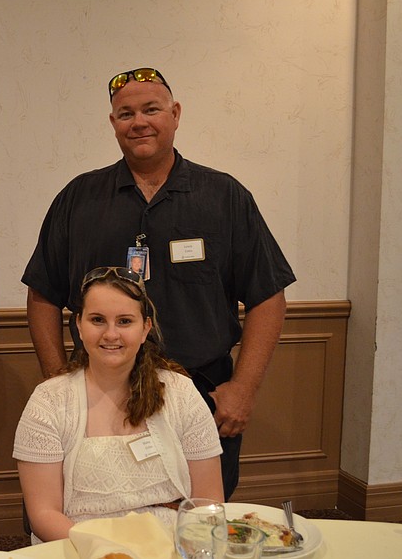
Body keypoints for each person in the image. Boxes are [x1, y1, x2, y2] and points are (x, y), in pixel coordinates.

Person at [22, 67, 296, 500]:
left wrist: (244, 388)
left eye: (151, 110)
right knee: (96, 510)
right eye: (126, 114)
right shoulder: (78, 199)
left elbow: (268, 296)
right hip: (97, 396)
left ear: (176, 114)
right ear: (113, 123)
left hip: (202, 395)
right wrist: (58, 382)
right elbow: (43, 294)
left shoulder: (224, 197)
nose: (139, 122)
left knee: (199, 516)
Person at [14, 267, 223, 543]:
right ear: (79, 325)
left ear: (145, 328)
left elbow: (208, 502)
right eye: (97, 320)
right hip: (80, 548)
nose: (111, 334)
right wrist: (108, 551)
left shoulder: (181, 393)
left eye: (124, 321)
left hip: (171, 545)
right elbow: (43, 514)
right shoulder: (49, 401)